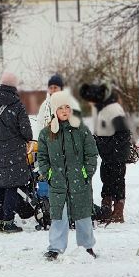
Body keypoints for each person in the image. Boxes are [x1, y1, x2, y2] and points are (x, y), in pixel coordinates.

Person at [35, 91, 98, 260]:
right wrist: (48, 173)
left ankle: (87, 246)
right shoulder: (46, 134)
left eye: (67, 107)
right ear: (54, 111)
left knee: (83, 215)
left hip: (79, 180)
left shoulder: (81, 130)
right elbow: (41, 156)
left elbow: (91, 154)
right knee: (58, 216)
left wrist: (87, 172)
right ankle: (55, 248)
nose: (64, 111)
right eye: (60, 108)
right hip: (57, 181)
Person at [0, 73, 34, 234]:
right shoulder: (18, 105)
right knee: (11, 187)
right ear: (14, 86)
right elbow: (27, 133)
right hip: (14, 154)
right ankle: (8, 222)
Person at [82, 84, 130, 225]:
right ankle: (107, 209)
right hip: (108, 154)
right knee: (106, 178)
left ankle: (118, 212)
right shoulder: (101, 109)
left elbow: (123, 134)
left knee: (117, 180)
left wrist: (106, 144)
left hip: (116, 153)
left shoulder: (113, 109)